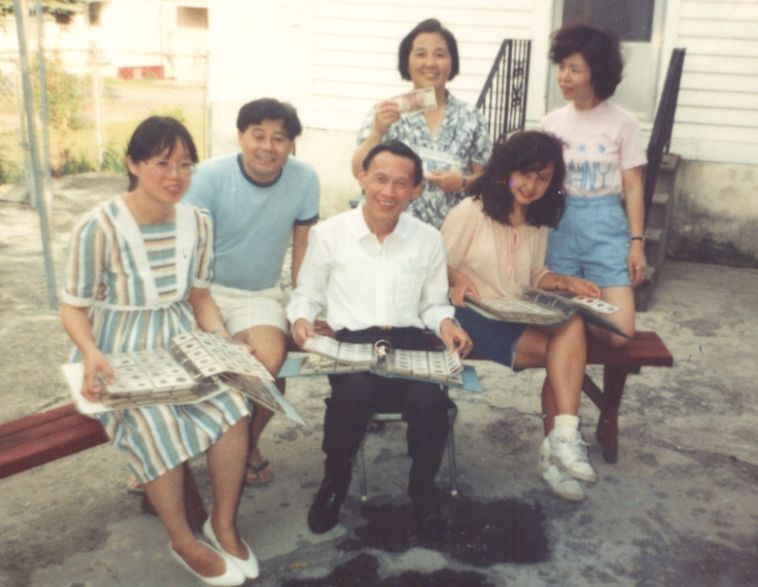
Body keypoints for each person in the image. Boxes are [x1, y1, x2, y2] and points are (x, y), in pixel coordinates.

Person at [60, 116, 258, 585]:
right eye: (162, 163)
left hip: (179, 337)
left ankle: (222, 524)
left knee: (235, 408)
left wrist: (226, 343)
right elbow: (73, 308)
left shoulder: (198, 222)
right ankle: (182, 540)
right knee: (158, 422)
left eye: (185, 165)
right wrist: (89, 352)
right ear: (133, 164)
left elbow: (200, 298)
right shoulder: (99, 226)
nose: (175, 176)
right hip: (116, 347)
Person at [288, 140, 473, 534]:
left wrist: (447, 325)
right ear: (362, 178)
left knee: (430, 401)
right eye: (380, 179)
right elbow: (307, 294)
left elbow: (434, 304)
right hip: (352, 346)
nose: (389, 192)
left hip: (409, 343)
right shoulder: (329, 234)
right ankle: (335, 480)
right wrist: (301, 318)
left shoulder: (428, 239)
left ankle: (422, 487)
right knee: (353, 393)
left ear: (416, 190)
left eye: (401, 183)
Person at [441, 131, 600, 501]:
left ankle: (561, 439)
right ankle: (556, 451)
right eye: (524, 174)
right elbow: (432, 264)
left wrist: (563, 281)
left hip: (511, 313)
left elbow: (532, 276)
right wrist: (457, 277)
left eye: (543, 178)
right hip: (470, 316)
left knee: (571, 328)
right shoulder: (472, 211)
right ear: (506, 171)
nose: (531, 185)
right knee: (566, 359)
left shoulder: (536, 219)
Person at [185, 98, 320, 486]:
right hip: (200, 291)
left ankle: (243, 446)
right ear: (240, 136)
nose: (268, 146)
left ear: (291, 144)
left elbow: (303, 247)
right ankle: (164, 457)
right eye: (258, 135)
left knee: (268, 366)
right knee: (195, 371)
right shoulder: (208, 177)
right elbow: (186, 249)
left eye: (279, 138)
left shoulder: (305, 178)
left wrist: (302, 306)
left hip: (259, 294)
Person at [541, 23, 647, 346]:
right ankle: (575, 339)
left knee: (620, 334)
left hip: (605, 227)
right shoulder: (551, 122)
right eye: (562, 67)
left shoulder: (624, 123)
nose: (564, 77)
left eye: (575, 69)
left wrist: (637, 243)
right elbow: (536, 178)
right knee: (555, 324)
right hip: (560, 224)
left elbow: (633, 187)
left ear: (596, 73)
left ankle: (580, 323)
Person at [351, 18, 492, 229]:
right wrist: (377, 131)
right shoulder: (386, 112)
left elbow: (486, 177)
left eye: (440, 54)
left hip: (454, 233)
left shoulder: (471, 117)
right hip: (394, 231)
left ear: (452, 62)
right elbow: (358, 170)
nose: (430, 63)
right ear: (406, 62)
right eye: (421, 54)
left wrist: (462, 182)